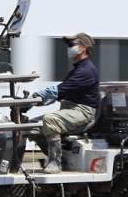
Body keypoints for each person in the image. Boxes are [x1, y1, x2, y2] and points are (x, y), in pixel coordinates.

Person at [33, 33, 99, 174]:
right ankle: (61, 157)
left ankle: (55, 163)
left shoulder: (86, 70)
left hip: (82, 111)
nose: (68, 49)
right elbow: (60, 94)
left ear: (82, 48)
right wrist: (34, 102)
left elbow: (60, 90)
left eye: (71, 45)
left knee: (50, 120)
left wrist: (37, 97)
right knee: (31, 126)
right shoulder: (77, 69)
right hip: (71, 109)